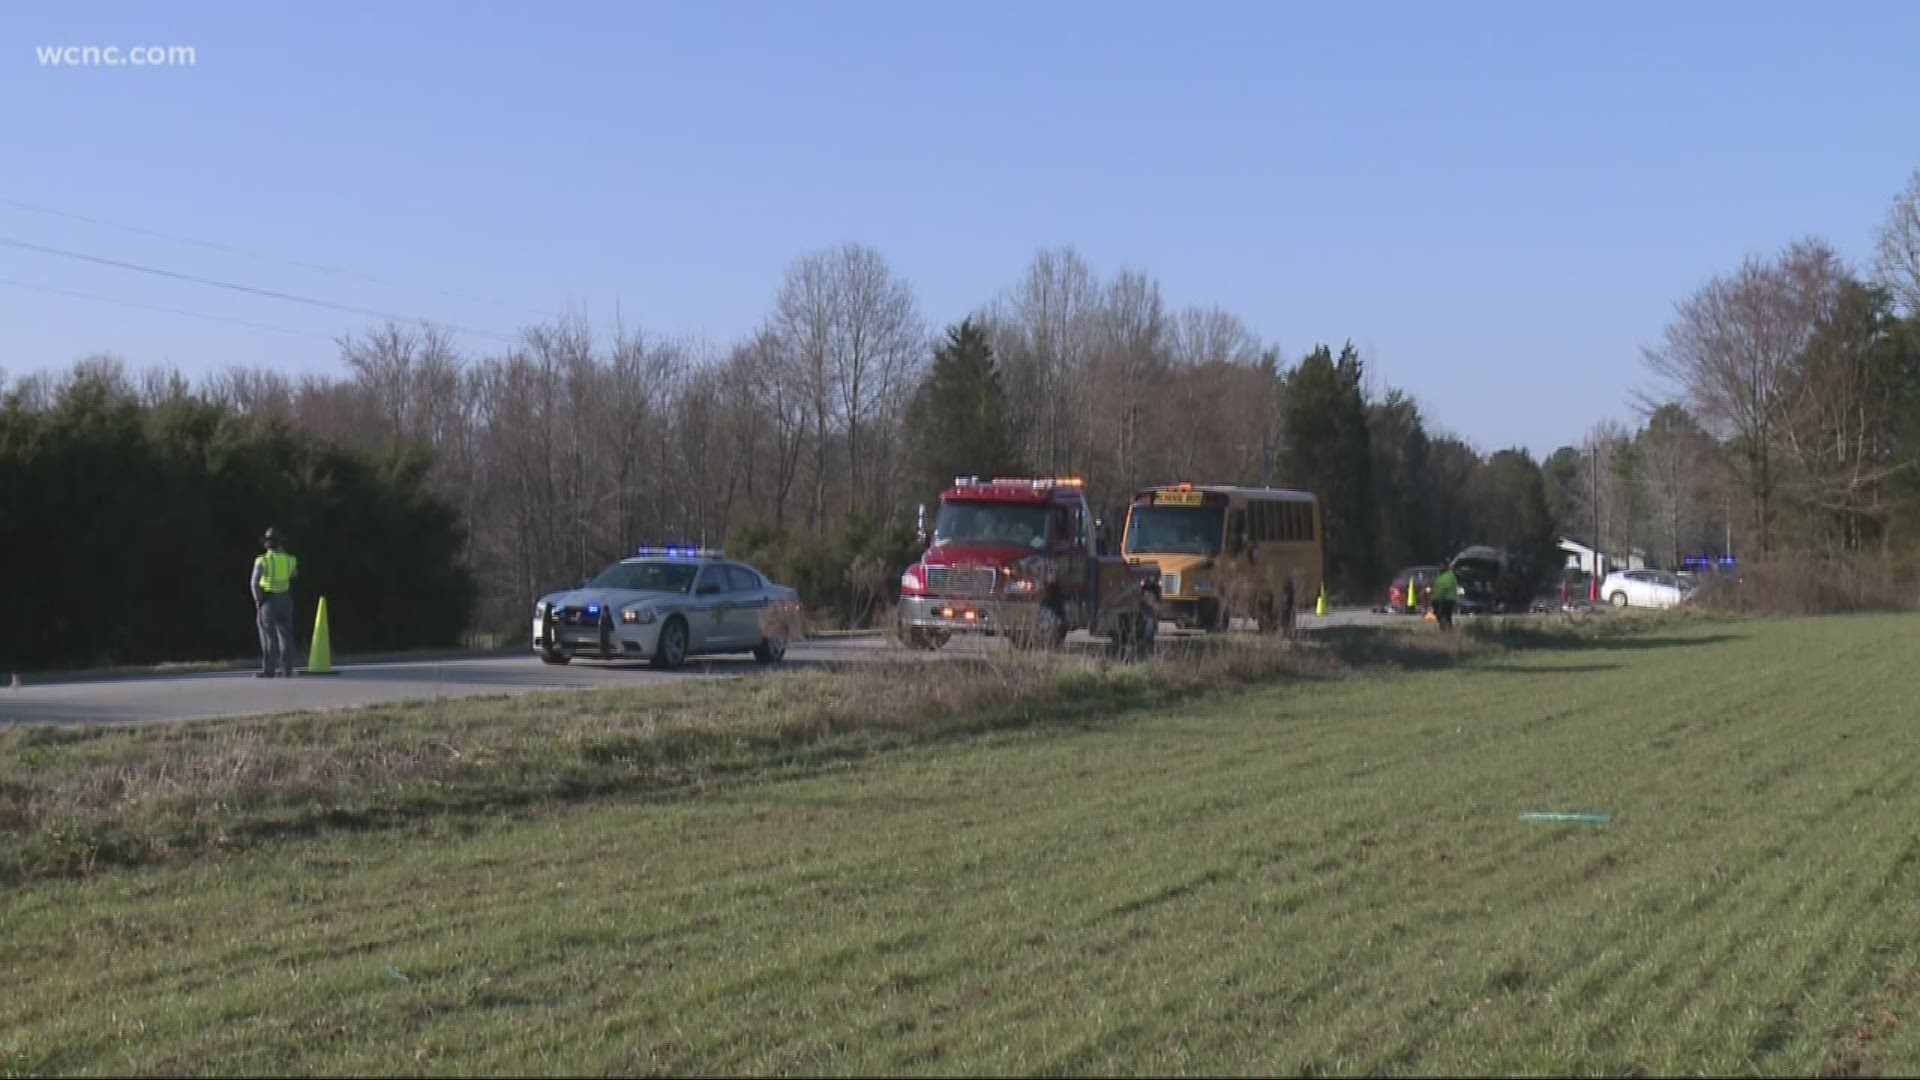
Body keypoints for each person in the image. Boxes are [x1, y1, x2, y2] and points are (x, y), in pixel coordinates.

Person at [251, 527, 299, 677]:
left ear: (266, 543)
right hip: (285, 599)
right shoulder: (290, 560)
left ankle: (268, 670)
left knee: (268, 636)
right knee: (286, 635)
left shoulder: (262, 560)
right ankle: (287, 670)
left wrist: (258, 600)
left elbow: (254, 583)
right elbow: (294, 575)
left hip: (268, 599)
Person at [1431, 564, 1459, 630]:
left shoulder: (1447, 575)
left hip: (1446, 599)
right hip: (1441, 599)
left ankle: (1445, 630)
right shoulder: (1441, 575)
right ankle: (1448, 631)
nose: (1439, 567)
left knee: (1443, 616)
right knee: (1444, 617)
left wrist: (1440, 598)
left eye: (1441, 565)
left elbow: (1444, 588)